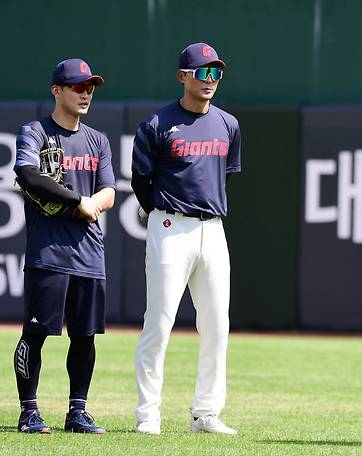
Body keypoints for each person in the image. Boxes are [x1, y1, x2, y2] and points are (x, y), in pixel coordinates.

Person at [131, 42, 241, 435]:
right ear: (183, 76)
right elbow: (140, 182)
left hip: (212, 229)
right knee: (158, 323)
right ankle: (148, 414)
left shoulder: (228, 124)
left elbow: (225, 176)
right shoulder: (157, 124)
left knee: (217, 325)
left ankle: (206, 413)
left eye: (216, 73)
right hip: (169, 226)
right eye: (203, 72)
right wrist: (161, 211)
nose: (211, 80)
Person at [12, 58, 115, 434]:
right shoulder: (35, 131)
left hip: (89, 252)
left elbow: (109, 191)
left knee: (85, 337)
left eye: (90, 87)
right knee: (35, 333)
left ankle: (77, 412)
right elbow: (27, 174)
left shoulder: (98, 140)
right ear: (57, 90)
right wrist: (77, 201)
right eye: (77, 86)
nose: (85, 92)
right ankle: (28, 412)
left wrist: (93, 203)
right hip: (49, 251)